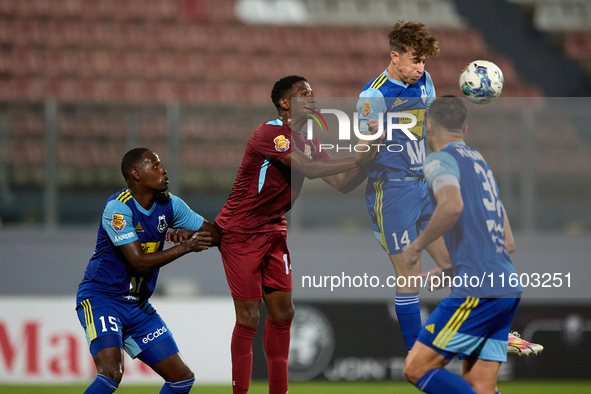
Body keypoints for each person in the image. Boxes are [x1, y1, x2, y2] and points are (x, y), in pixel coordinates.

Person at [214, 75, 383, 394]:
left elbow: (342, 183)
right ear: (284, 103)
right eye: (304, 93)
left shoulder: (308, 139)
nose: (313, 98)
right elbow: (309, 169)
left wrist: (369, 159)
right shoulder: (271, 133)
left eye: (313, 92)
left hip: (274, 228)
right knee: (249, 316)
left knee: (284, 312)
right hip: (240, 231)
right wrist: (362, 156)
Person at [402, 96, 523, 394]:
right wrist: (450, 268)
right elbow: (507, 241)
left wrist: (417, 245)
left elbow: (451, 206)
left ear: (428, 125)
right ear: (465, 128)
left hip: (478, 290)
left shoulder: (438, 160)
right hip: (507, 288)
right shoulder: (481, 165)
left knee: (417, 368)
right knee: (480, 385)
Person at [76, 148, 219, 394]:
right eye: (155, 165)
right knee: (111, 374)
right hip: (102, 299)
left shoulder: (171, 204)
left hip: (138, 306)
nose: (163, 170)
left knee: (182, 379)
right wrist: (186, 247)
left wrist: (192, 233)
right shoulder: (118, 209)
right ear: (136, 174)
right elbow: (138, 261)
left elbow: (215, 234)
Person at [355, 20, 452, 351]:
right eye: (415, 61)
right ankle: (417, 355)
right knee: (410, 274)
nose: (420, 68)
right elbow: (361, 152)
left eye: (424, 61)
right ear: (395, 56)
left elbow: (430, 131)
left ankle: (462, 335)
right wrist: (372, 138)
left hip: (424, 186)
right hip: (393, 192)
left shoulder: (425, 82)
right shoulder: (374, 95)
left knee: (453, 267)